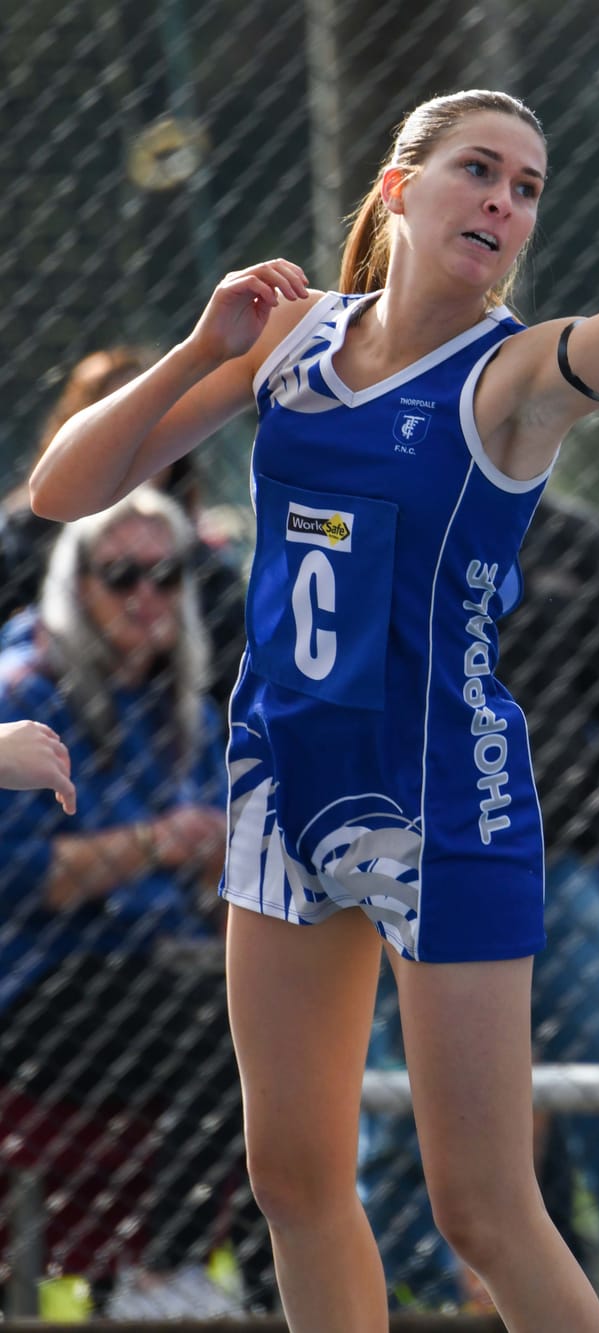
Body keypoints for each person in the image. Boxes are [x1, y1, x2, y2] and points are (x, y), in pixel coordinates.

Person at [27, 89, 599, 1331]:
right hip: (284, 786)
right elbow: (62, 488)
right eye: (479, 171)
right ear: (397, 188)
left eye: (527, 188)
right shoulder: (292, 340)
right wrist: (203, 347)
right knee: (292, 1177)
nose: (503, 202)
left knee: (481, 1202)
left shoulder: (516, 376)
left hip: (443, 805)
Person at [358, 490, 599, 1310]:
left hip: (545, 865)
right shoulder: (388, 519)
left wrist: (588, 830)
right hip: (401, 863)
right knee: (403, 1107)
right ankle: (408, 1299)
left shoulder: (567, 537)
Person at [0, 487, 271, 1317]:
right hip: (44, 984)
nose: (148, 596)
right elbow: (23, 878)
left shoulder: (183, 709)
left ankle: (263, 1284)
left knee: (280, 999)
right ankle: (167, 1272)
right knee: (216, 1010)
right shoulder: (25, 698)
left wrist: (226, 868)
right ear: (74, 585)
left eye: (167, 573)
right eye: (121, 575)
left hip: (159, 965)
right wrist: (158, 844)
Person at [1, 349, 246, 709]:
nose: (128, 446)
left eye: (163, 574)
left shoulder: (205, 564)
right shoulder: (19, 540)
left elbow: (228, 688)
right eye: (120, 574)